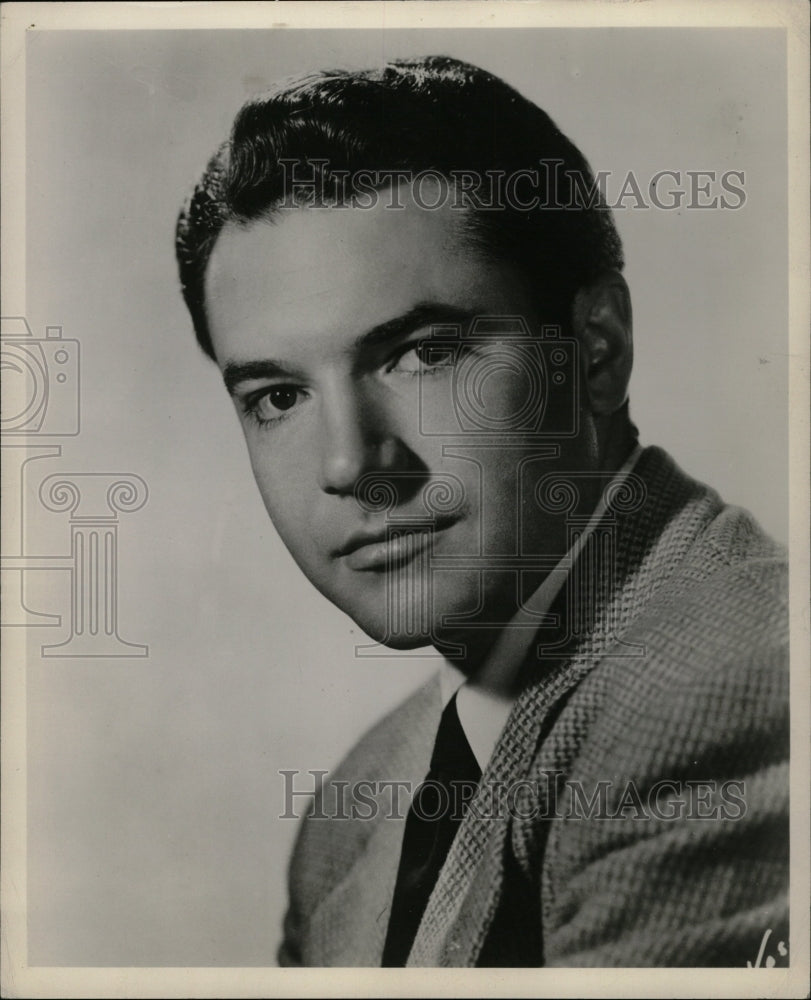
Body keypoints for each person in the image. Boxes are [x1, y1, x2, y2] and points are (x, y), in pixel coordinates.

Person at [174, 56, 789, 967]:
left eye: (421, 355)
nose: (351, 465)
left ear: (595, 350)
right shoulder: (364, 799)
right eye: (277, 396)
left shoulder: (724, 696)